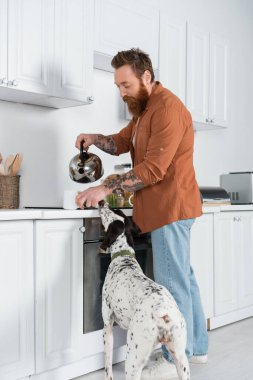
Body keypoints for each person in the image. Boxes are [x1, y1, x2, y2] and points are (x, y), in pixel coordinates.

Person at [75, 48, 208, 379]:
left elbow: (153, 170)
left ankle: (173, 356)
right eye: (118, 86)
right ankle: (197, 348)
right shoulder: (143, 111)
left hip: (170, 208)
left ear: (146, 77)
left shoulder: (168, 110)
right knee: (184, 279)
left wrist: (106, 187)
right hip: (168, 208)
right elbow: (121, 142)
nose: (122, 93)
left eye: (126, 85)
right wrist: (94, 139)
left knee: (172, 283)